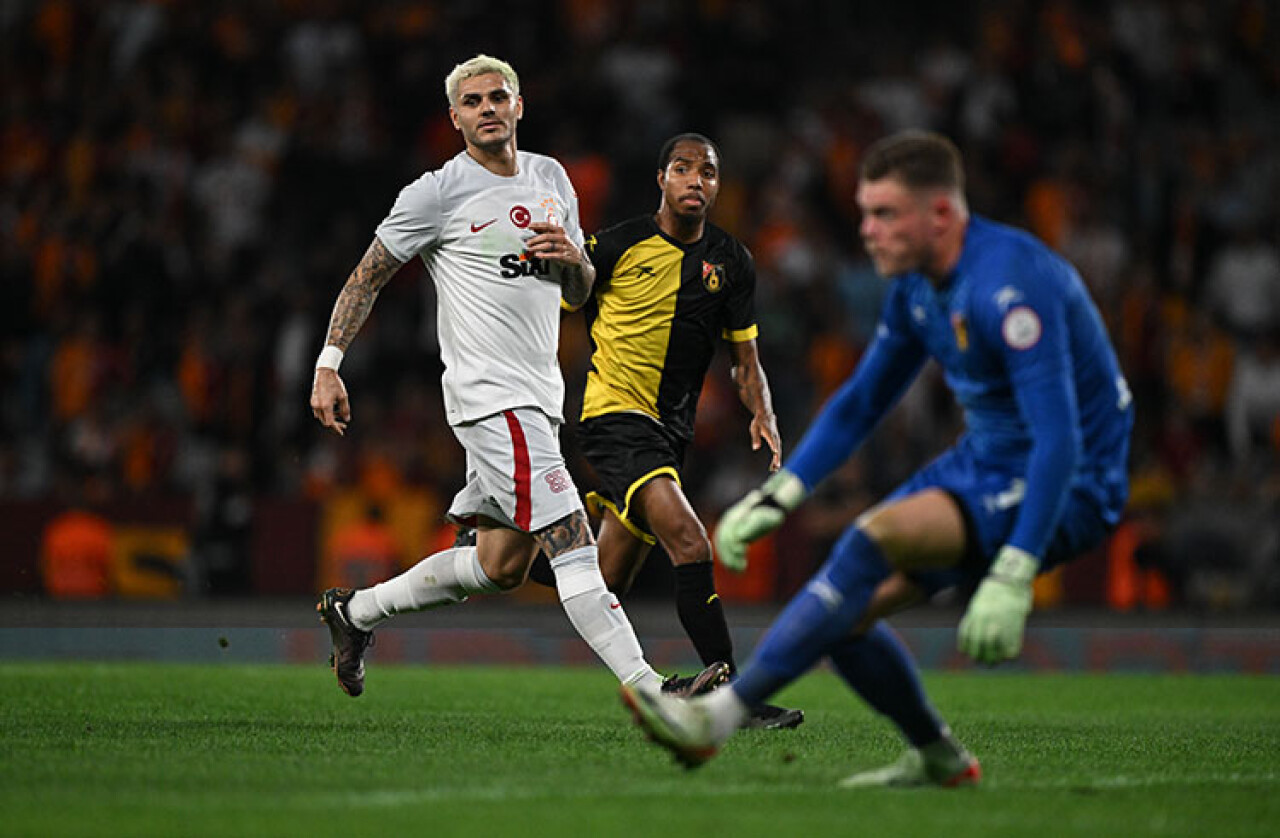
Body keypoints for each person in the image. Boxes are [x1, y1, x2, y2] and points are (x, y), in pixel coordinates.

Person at [621, 131, 1134, 787]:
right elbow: (863, 400)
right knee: (844, 613)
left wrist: (1016, 568)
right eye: (865, 213)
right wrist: (782, 493)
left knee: (868, 542)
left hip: (1071, 478)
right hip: (986, 460)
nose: (868, 231)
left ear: (940, 214)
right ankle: (937, 756)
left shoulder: (1012, 283)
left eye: (886, 214)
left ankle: (717, 717)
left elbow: (1059, 438)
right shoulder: (916, 286)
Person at [309, 54, 722, 700]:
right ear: (455, 118)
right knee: (572, 537)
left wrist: (573, 261)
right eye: (472, 102)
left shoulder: (551, 177)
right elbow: (367, 276)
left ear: (518, 106)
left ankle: (355, 612)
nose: (487, 109)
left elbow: (580, 291)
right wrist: (328, 365)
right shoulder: (436, 193)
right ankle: (652, 691)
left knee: (501, 564)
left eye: (498, 97)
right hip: (489, 398)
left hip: (539, 398)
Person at [534, 133, 801, 729]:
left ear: (717, 185)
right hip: (614, 418)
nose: (695, 180)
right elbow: (555, 297)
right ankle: (733, 697)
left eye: (707, 172)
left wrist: (763, 411)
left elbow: (745, 358)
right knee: (691, 541)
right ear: (661, 179)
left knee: (601, 579)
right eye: (682, 169)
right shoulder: (618, 245)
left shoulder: (732, 261)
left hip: (670, 434)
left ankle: (501, 549)